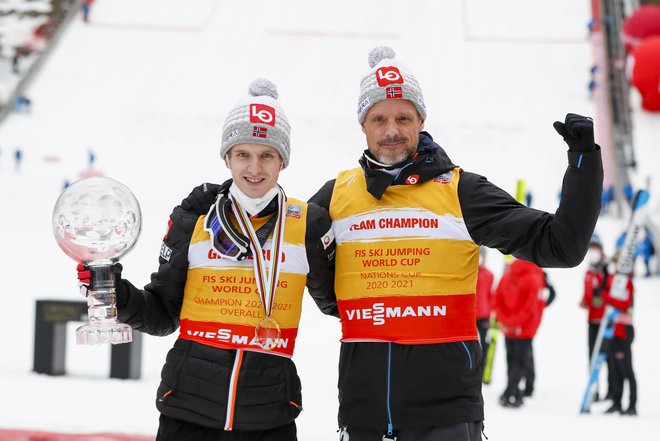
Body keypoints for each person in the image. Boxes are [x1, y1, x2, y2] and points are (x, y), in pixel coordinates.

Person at [306, 46, 602, 440]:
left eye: (403, 117)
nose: (391, 130)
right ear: (363, 124)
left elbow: (561, 245)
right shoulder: (335, 197)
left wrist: (583, 162)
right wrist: (203, 213)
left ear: (421, 120)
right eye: (379, 118)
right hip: (364, 416)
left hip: (444, 417)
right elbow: (288, 257)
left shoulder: (461, 191)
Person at [77, 79, 337, 440]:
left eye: (267, 155)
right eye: (243, 154)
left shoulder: (307, 224)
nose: (255, 168)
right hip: (188, 412)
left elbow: (339, 302)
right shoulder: (194, 220)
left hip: (267, 417)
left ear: (283, 161)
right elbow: (163, 314)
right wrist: (112, 292)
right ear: (227, 157)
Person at [494, 259, 548, 408]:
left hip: (509, 329)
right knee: (520, 363)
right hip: (525, 329)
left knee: (511, 361)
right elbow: (531, 307)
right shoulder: (535, 277)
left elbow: (497, 299)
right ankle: (510, 393)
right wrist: (513, 324)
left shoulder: (507, 275)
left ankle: (514, 392)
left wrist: (505, 322)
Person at [580, 233, 613, 401]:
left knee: (608, 357)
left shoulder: (608, 270)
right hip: (592, 320)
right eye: (589, 249)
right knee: (592, 356)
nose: (592, 252)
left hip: (606, 321)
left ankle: (613, 390)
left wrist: (602, 298)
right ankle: (594, 390)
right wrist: (584, 301)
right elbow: (588, 294)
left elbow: (613, 293)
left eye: (595, 249)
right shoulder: (589, 271)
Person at [602, 267, 637, 416]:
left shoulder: (627, 283)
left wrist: (605, 296)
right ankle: (617, 402)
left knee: (626, 369)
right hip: (614, 331)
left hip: (624, 332)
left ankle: (632, 405)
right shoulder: (614, 281)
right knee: (615, 369)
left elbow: (624, 304)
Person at [476, 247, 495, 371]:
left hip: (483, 316)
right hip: (469, 315)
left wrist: (490, 315)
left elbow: (491, 296)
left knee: (484, 343)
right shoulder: (468, 273)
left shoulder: (489, 275)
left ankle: (484, 370)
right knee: (472, 344)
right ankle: (473, 368)